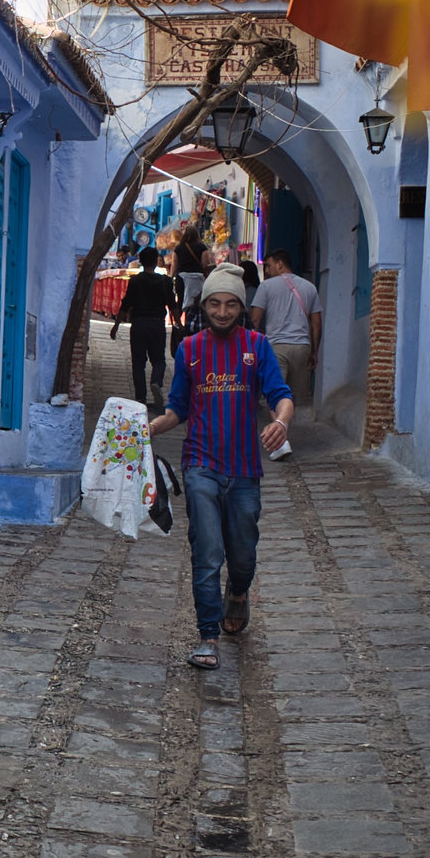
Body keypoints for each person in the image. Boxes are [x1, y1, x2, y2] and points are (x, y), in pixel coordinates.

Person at [147, 266, 293, 669]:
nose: (223, 311)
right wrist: (150, 428)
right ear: (204, 305)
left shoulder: (257, 346)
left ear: (241, 308)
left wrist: (281, 422)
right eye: (215, 303)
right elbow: (178, 408)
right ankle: (207, 636)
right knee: (208, 551)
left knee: (243, 555)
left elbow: (281, 395)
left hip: (245, 471)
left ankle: (239, 593)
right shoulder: (190, 349)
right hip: (200, 466)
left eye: (231, 304)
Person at [249, 248, 324, 461]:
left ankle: (279, 440)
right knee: (291, 396)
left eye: (270, 265)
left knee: (275, 395)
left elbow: (254, 320)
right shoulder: (310, 287)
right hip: (302, 347)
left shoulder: (266, 287)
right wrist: (314, 351)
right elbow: (316, 322)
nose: (269, 270)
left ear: (280, 263)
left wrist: (252, 347)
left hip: (275, 347)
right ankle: (282, 436)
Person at [113, 245, 178, 407]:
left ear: (140, 261)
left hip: (139, 324)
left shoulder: (135, 281)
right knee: (159, 360)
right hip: (157, 325)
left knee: (138, 362)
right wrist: (179, 323)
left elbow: (125, 304)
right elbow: (172, 305)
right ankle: (156, 381)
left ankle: (140, 398)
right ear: (156, 261)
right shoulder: (165, 281)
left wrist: (116, 325)